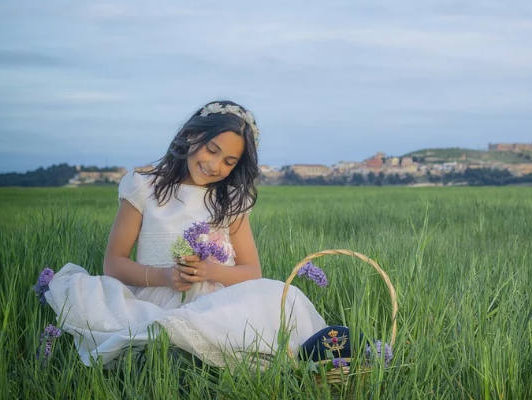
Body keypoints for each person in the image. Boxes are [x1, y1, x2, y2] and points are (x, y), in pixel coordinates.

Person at [44, 100, 327, 368]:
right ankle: (179, 352)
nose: (215, 165)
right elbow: (114, 263)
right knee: (159, 328)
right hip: (159, 293)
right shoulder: (144, 187)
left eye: (229, 161)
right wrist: (166, 276)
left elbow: (252, 271)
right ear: (192, 135)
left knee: (281, 296)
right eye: (212, 149)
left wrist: (208, 272)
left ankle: (324, 356)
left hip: (221, 299)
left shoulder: (230, 199)